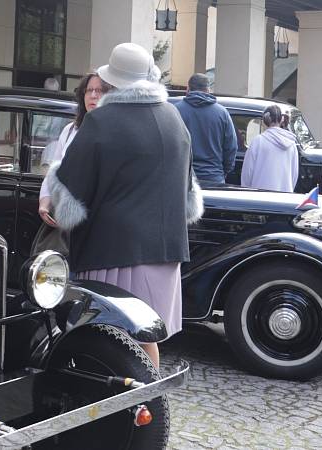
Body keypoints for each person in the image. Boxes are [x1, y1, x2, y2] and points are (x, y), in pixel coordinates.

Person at [49, 43, 201, 367]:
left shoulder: (103, 120)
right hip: (166, 250)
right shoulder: (174, 117)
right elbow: (187, 191)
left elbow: (69, 196)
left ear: (112, 81)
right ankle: (149, 404)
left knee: (116, 338)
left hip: (114, 250)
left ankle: (138, 407)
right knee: (147, 337)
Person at [38, 72, 108, 227]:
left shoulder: (112, 133)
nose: (93, 95)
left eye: (99, 90)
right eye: (89, 90)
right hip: (64, 218)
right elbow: (54, 170)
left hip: (96, 220)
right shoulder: (70, 130)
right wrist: (45, 203)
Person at [175, 73, 238, 185]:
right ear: (208, 90)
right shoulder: (222, 113)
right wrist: (224, 170)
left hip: (183, 177)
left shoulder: (176, 111)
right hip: (214, 177)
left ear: (188, 89)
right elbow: (231, 147)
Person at [240, 105, 299, 192]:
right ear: (281, 119)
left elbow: (247, 173)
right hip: (285, 196)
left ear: (264, 121)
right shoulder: (291, 144)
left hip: (260, 196)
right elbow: (294, 175)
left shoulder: (258, 141)